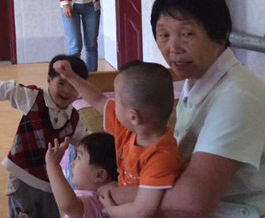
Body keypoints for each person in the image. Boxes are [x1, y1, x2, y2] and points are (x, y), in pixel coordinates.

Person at [105, 0, 265, 217]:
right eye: (164, 35)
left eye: (187, 34)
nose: (173, 47)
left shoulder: (238, 97)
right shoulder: (196, 82)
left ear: (221, 36)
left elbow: (193, 200)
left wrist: (120, 193)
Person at [55, 59, 184, 218]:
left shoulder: (161, 157)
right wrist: (71, 77)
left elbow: (141, 211)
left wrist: (111, 210)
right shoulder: (130, 128)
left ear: (133, 116)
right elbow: (98, 99)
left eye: (117, 101)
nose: (112, 104)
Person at [0, 55, 89, 218]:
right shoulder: (32, 97)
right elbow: (6, 89)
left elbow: (86, 142)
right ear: (48, 80)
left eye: (73, 86)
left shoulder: (74, 119)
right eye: (61, 83)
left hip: (50, 180)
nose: (66, 90)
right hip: (22, 174)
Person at [45, 133, 118, 218]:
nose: (72, 163)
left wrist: (53, 165)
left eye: (79, 158)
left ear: (99, 175)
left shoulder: (97, 201)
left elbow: (68, 205)